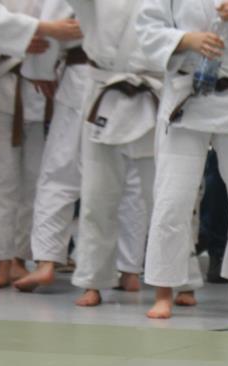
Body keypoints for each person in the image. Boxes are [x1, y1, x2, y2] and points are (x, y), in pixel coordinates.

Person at [135, 1, 228, 319]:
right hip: (186, 97)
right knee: (173, 198)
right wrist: (186, 40)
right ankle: (164, 290)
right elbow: (145, 30)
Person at [14, 0, 149, 294]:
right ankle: (129, 269)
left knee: (61, 171)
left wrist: (40, 69)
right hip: (143, 81)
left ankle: (47, 261)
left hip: (87, 77)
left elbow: (57, 14)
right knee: (132, 178)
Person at [64, 0, 161, 308]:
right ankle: (93, 280)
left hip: (155, 87)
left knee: (165, 196)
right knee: (97, 195)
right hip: (104, 86)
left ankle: (180, 280)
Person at [0, 0, 59, 289]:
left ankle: (21, 258)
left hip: (42, 88)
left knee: (36, 180)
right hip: (1, 85)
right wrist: (13, 41)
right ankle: (1, 259)